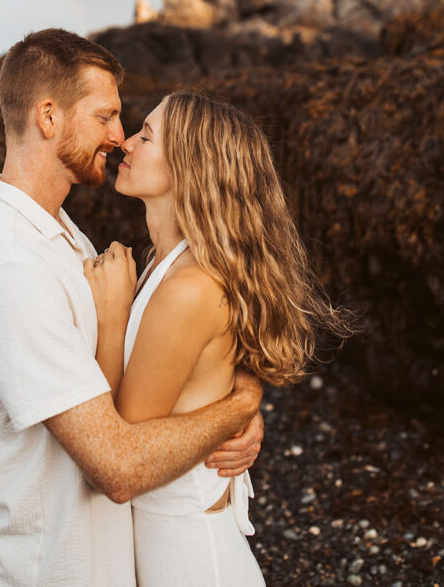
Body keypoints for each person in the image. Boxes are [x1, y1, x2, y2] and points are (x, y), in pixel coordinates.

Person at [0, 30, 264, 587]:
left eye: (133, 125)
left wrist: (224, 390)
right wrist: (238, 407)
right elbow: (118, 466)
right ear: (48, 117)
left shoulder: (64, 236)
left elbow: (165, 367)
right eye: (107, 116)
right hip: (45, 571)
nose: (119, 137)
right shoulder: (10, 267)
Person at [85, 90, 352, 586]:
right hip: (169, 541)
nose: (125, 143)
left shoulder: (188, 288)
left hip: (186, 555)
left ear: (191, 166)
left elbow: (119, 443)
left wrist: (111, 318)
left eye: (146, 135)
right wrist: (245, 401)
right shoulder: (164, 265)